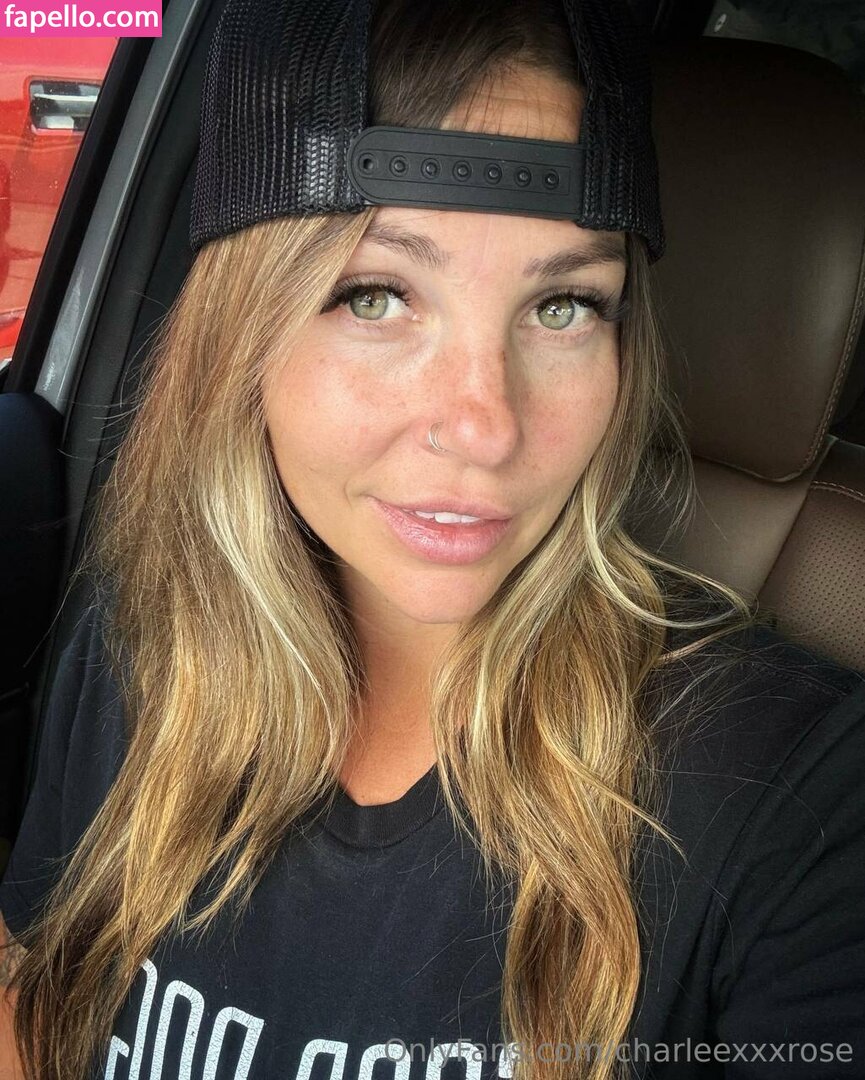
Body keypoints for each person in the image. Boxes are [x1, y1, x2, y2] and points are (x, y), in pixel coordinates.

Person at [1, 0, 864, 1077]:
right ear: (240, 336)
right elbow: (37, 1006)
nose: (485, 426)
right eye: (376, 297)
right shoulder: (142, 642)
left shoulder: (801, 802)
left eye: (564, 307)